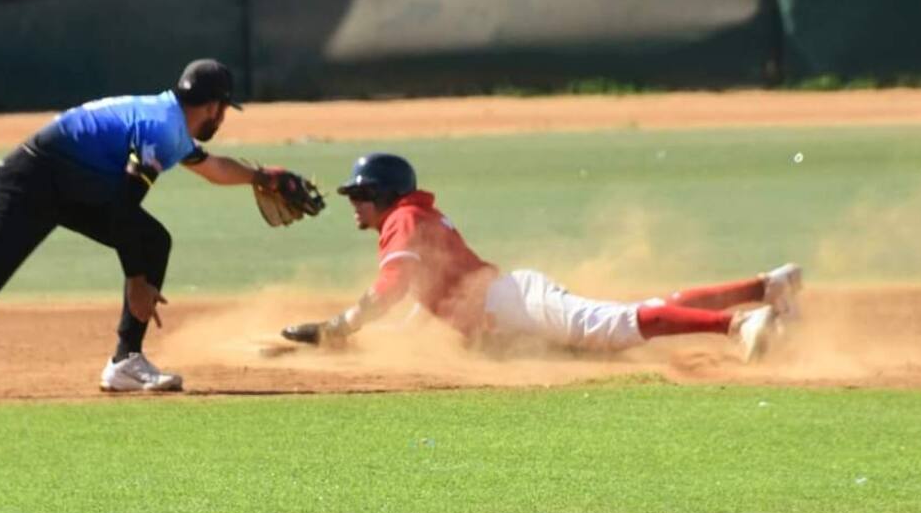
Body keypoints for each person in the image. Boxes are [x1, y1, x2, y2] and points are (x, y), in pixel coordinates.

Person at [0, 58, 319, 399]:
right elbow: (124, 205)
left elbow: (210, 168)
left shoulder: (168, 118)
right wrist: (137, 280)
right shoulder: (163, 129)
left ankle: (127, 361)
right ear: (212, 105)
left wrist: (259, 175)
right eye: (224, 109)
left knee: (153, 239)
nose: (222, 118)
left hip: (66, 184)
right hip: (29, 182)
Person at [281, 153, 802, 362]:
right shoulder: (417, 219)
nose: (354, 203)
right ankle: (764, 287)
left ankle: (739, 328)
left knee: (619, 325)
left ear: (385, 193)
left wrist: (342, 326)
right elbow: (431, 296)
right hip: (509, 307)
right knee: (632, 316)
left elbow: (392, 287)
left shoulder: (401, 221)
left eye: (360, 194)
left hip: (514, 304)